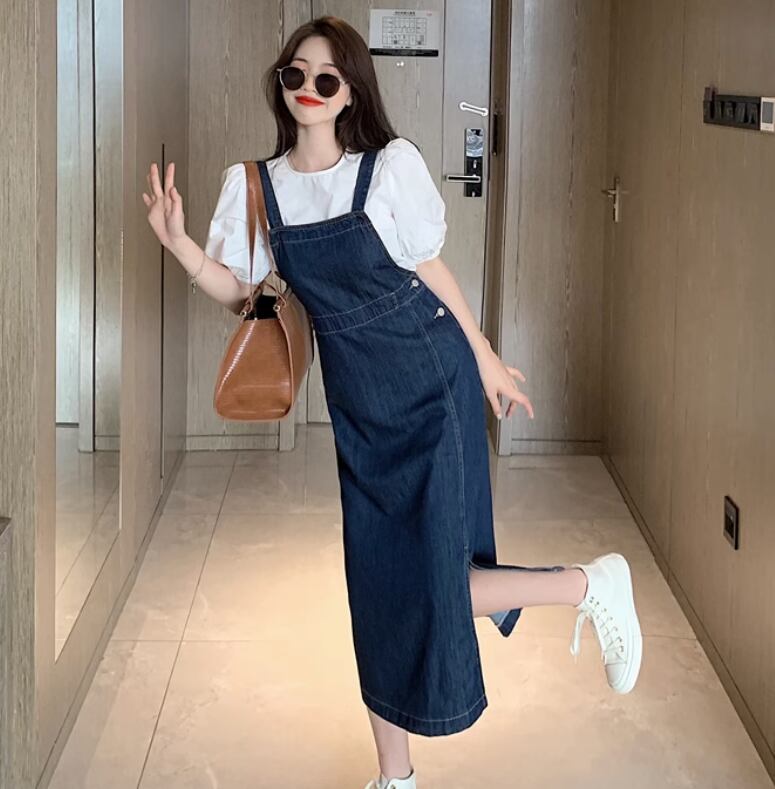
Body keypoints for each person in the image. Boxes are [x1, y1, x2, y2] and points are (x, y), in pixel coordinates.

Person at [143, 15, 643, 789]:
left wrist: (485, 358)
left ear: (350, 93)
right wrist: (177, 242)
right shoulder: (258, 187)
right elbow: (244, 295)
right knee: (377, 584)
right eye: (295, 74)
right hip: (360, 405)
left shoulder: (386, 169)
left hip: (430, 382)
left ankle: (588, 585)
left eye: (327, 78)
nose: (309, 89)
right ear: (281, 84)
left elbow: (430, 269)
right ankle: (395, 775)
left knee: (433, 576)